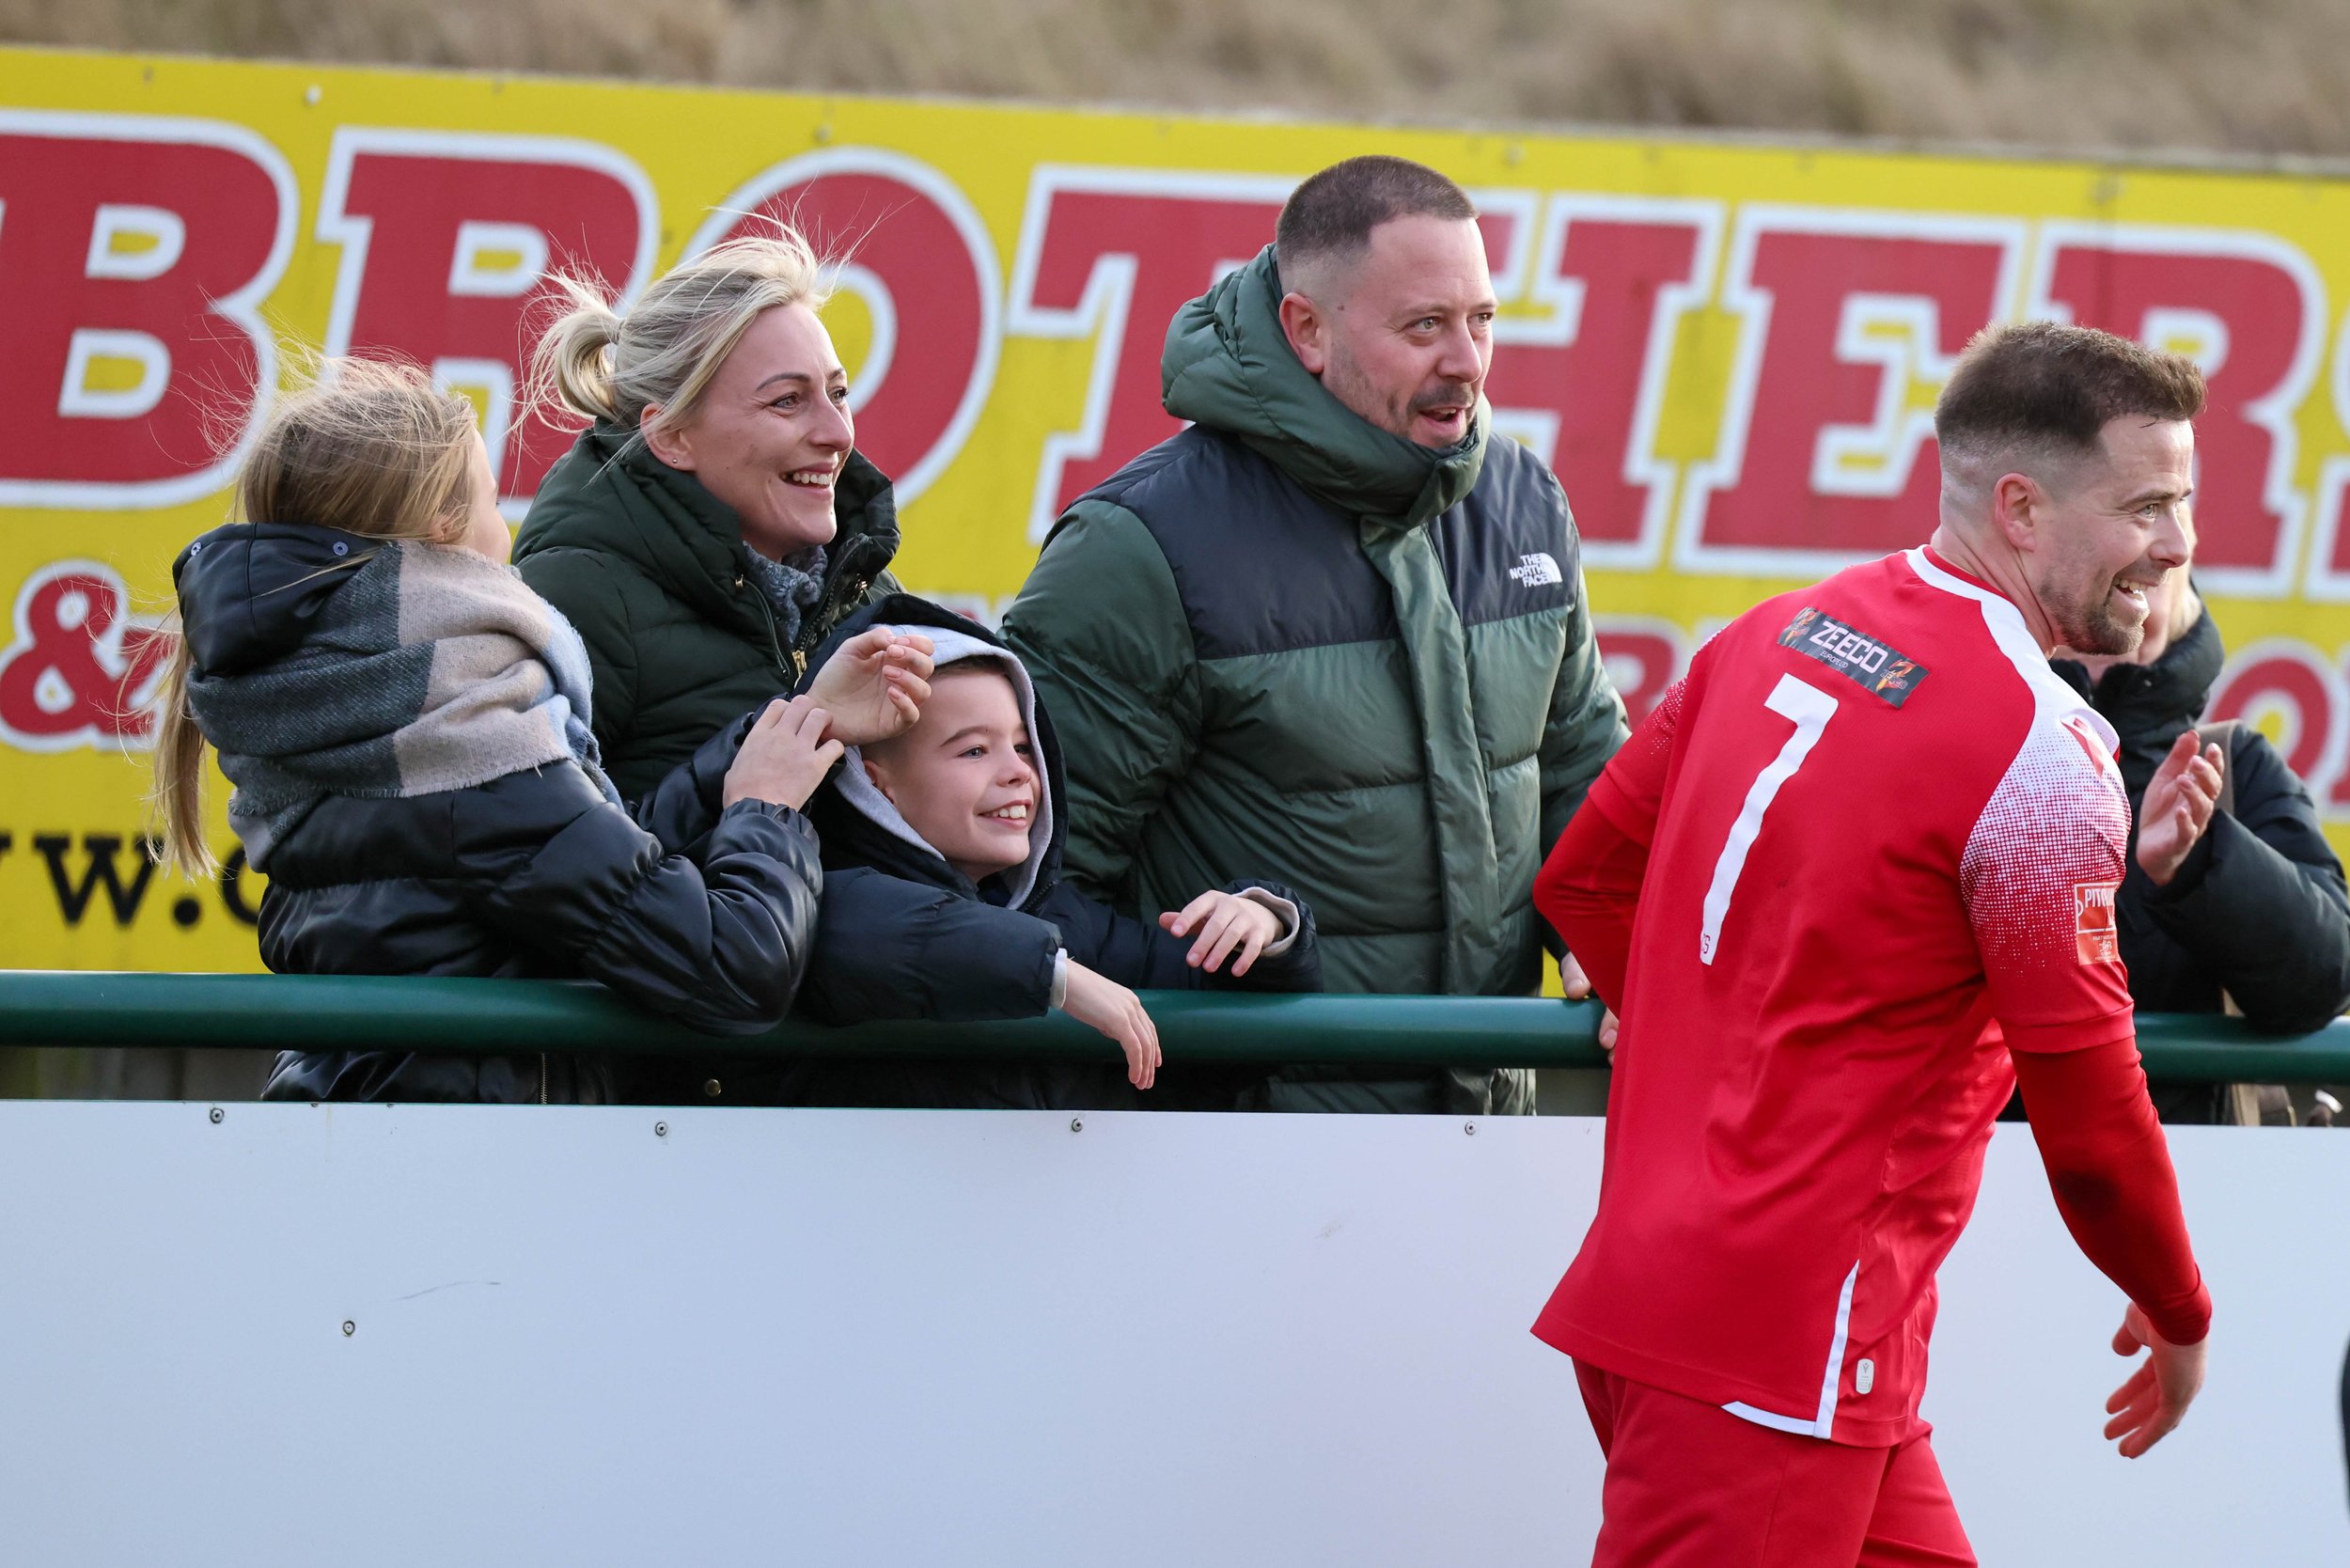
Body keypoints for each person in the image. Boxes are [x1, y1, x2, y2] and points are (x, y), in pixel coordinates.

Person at [1530, 321, 2213, 1565]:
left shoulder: (1775, 628)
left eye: (2184, 504)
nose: (2179, 545)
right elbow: (2091, 1120)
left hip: (1703, 1306)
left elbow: (1584, 879)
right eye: (2147, 506)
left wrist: (1727, 1072)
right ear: (2020, 508)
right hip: (1779, 1350)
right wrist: (2177, 1305)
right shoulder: (2042, 754)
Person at [1002, 155, 1624, 1116]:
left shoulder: (1524, 498)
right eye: (1424, 326)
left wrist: (1608, 932)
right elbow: (1029, 881)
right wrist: (1228, 978)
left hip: (1487, 1143)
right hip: (1232, 1157)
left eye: (1482, 319)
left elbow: (1587, 778)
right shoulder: (1136, 548)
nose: (1466, 361)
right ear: (1306, 331)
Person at [149, 358, 838, 1104]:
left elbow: (576, 856)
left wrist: (753, 750)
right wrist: (768, 809)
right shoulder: (468, 746)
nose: (506, 532)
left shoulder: (347, 704)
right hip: (468, 1154)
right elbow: (734, 970)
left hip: (355, 1126)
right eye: (489, 499)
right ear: (446, 527)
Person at [780, 596, 1323, 1110]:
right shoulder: (806, 897)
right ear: (877, 786)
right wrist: (1053, 975)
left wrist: (1264, 929)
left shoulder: (1068, 920)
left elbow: (1241, 1040)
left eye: (1023, 745)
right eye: (974, 750)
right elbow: (862, 933)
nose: (1019, 771)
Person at [514, 228, 909, 803]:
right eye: (787, 401)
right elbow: (525, 843)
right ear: (672, 436)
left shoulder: (864, 590)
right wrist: (763, 783)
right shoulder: (579, 599)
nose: (837, 433)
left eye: (839, 393)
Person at [2049, 564, 2350, 1122]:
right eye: (2124, 529)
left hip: (2193, 1163)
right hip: (1983, 1160)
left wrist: (2199, 863)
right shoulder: (1963, 747)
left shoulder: (2235, 764)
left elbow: (2324, 978)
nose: (2140, 562)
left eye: (2158, 561)